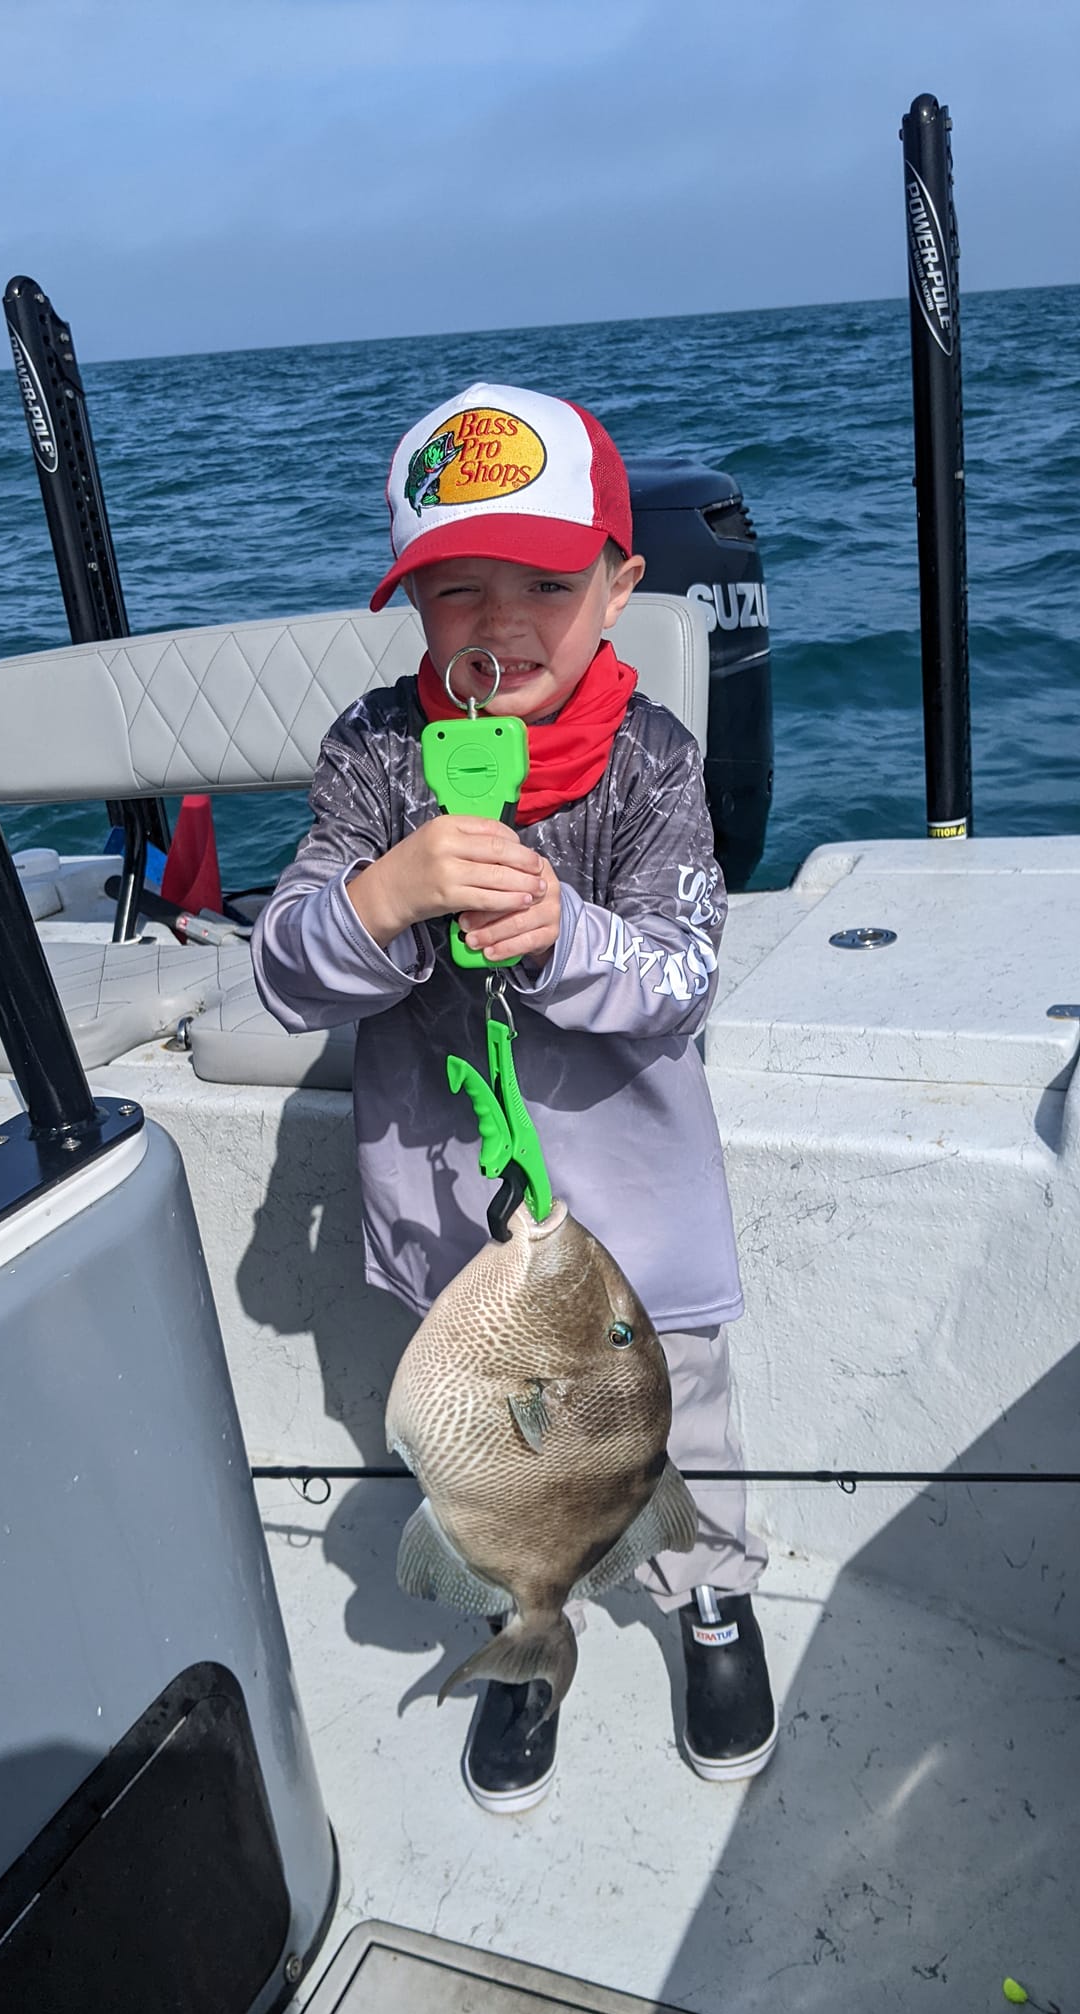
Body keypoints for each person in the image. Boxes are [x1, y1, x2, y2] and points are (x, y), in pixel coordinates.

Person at [252, 381, 776, 1814]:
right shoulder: (374, 756)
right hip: (456, 1243)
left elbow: (682, 976)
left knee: (684, 1433)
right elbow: (287, 973)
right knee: (483, 1464)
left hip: (636, 1248)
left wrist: (563, 935)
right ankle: (520, 1629)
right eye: (455, 590)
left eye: (545, 583)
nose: (500, 623)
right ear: (411, 605)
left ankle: (711, 1598)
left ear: (620, 585)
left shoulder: (654, 761)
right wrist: (381, 899)